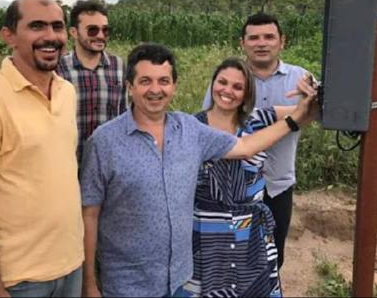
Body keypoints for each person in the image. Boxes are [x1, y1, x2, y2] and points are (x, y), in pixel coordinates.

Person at [80, 43, 317, 297]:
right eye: (145, 81)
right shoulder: (105, 141)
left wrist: (299, 113)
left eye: (164, 81)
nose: (155, 89)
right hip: (128, 283)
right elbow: (89, 214)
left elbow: (245, 147)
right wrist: (89, 284)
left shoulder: (189, 130)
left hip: (181, 280)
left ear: (174, 86)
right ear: (130, 86)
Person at [0, 0, 84, 298]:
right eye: (36, 26)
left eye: (57, 26)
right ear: (9, 35)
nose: (50, 36)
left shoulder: (67, 92)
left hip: (71, 263)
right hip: (20, 277)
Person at [187, 57, 311, 297]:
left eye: (238, 87)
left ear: (247, 94)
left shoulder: (258, 119)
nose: (227, 91)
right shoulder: (191, 126)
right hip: (206, 231)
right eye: (222, 82)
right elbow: (243, 148)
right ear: (213, 84)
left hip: (251, 232)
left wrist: (311, 93)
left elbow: (306, 113)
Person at [202, 13, 309, 270]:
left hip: (277, 185)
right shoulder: (229, 80)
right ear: (243, 43)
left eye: (269, 37)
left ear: (282, 41)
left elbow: (320, 111)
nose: (261, 43)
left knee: (273, 257)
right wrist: (292, 113)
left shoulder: (301, 78)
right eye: (254, 38)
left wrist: (312, 102)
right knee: (230, 257)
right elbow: (209, 124)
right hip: (233, 190)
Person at [57, 0, 126, 164]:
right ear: (74, 32)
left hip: (109, 164)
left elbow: (124, 114)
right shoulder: (58, 68)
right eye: (92, 30)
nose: (100, 35)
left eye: (105, 30)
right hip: (69, 163)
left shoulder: (118, 66)